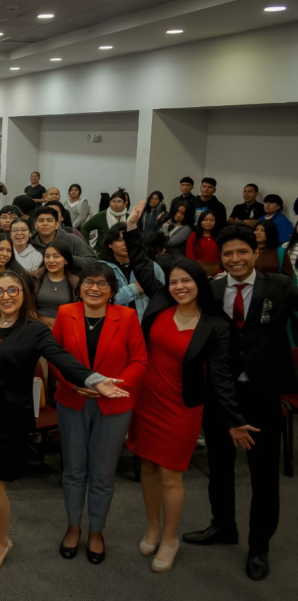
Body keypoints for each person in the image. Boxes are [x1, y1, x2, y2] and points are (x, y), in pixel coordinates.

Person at [0, 271, 129, 570]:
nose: (6, 296)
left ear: (24, 293)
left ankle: (2, 542)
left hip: (9, 417)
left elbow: (60, 358)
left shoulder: (35, 330)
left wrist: (94, 379)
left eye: (13, 289)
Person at [182, 225, 298, 581]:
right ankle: (223, 525)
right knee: (219, 465)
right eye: (228, 254)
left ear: (255, 253)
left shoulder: (279, 286)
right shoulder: (212, 290)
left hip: (263, 394)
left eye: (241, 252)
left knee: (264, 474)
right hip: (221, 393)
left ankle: (259, 544)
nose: (235, 259)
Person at [125, 251, 242, 573]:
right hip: (146, 400)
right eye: (174, 281)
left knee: (170, 473)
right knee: (147, 466)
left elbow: (221, 376)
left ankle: (170, 538)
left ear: (199, 283)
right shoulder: (162, 304)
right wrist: (133, 231)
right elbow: (143, 268)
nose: (179, 286)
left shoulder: (215, 325)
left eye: (186, 280)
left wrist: (234, 419)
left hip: (181, 406)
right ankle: (152, 527)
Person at [51, 263, 148, 564]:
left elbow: (140, 361)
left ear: (112, 291)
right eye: (88, 283)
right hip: (73, 399)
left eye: (102, 284)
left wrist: (113, 386)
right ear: (79, 287)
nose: (94, 288)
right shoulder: (66, 313)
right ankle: (73, 525)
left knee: (103, 474)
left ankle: (96, 530)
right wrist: (73, 382)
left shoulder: (128, 316)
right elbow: (54, 355)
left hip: (114, 404)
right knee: (74, 470)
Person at [32, 241, 79, 327]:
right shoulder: (34, 278)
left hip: (65, 330)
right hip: (37, 330)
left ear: (66, 260)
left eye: (56, 256)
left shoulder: (75, 283)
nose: (50, 260)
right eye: (47, 256)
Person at [185, 211, 222, 276]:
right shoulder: (193, 236)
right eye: (205, 220)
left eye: (211, 220)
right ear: (200, 221)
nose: (208, 222)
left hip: (217, 270)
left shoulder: (219, 236)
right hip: (199, 269)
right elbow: (189, 255)